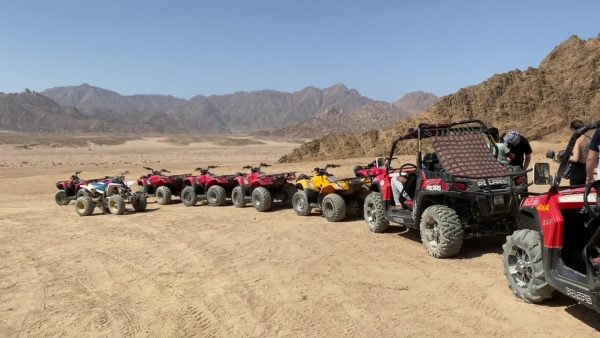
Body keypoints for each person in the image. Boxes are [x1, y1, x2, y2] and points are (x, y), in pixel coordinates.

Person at [567, 120, 592, 185]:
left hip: (577, 170)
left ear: (573, 129)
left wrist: (565, 157)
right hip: (586, 170)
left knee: (575, 192)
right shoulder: (588, 139)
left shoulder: (578, 140)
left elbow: (575, 158)